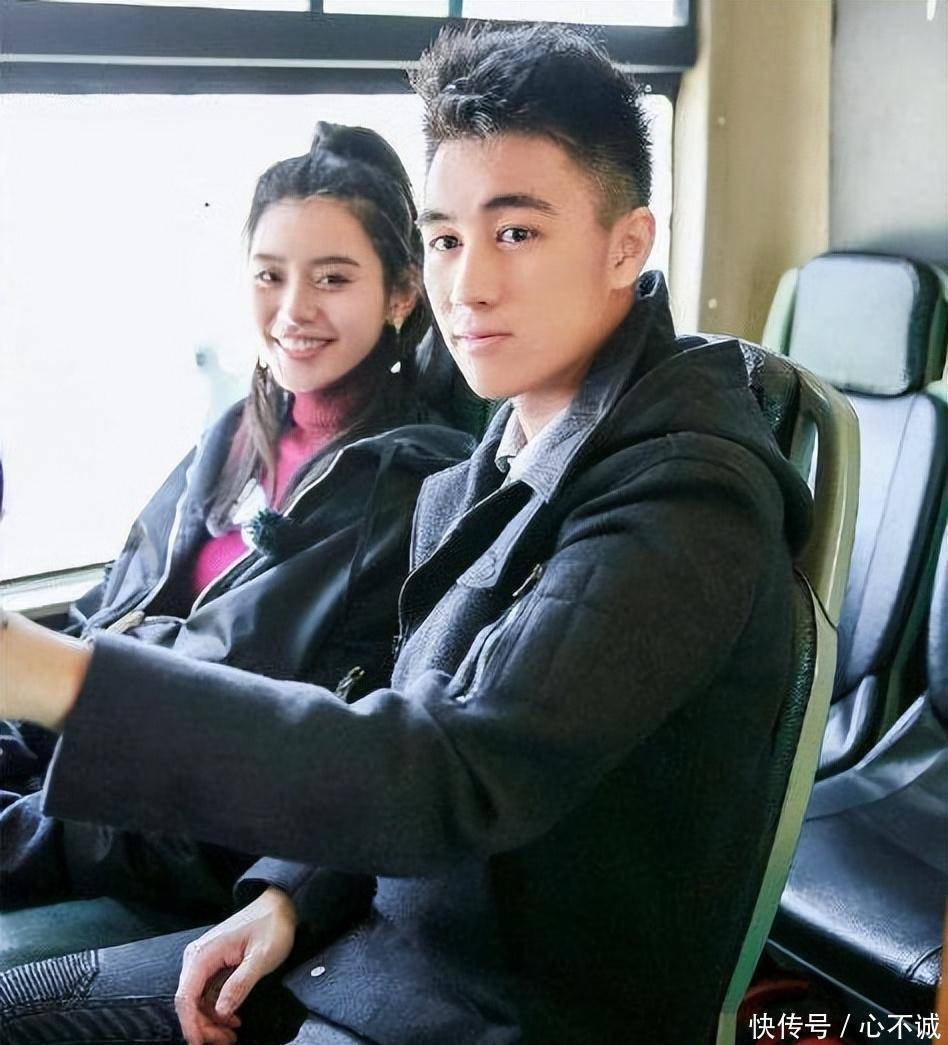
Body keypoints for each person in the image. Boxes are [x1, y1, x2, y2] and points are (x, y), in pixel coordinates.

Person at [0, 21, 813, 1045]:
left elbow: (449, 771)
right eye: (445, 238)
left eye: (516, 234)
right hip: (359, 947)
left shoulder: (685, 501)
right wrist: (290, 891)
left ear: (627, 245)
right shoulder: (502, 451)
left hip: (488, 1009)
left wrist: (53, 677)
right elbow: (406, 703)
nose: (466, 287)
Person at [0, 122, 472, 919]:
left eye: (332, 278)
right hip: (88, 744)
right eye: (269, 275)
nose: (293, 310)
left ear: (400, 294)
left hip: (191, 815)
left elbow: (299, 750)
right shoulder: (233, 437)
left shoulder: (418, 485)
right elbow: (111, 607)